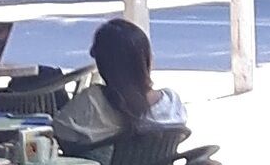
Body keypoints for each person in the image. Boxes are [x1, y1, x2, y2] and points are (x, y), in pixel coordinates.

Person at [51, 17, 188, 150]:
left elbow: (59, 131)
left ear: (103, 63)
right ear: (146, 59)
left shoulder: (93, 101)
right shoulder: (171, 102)